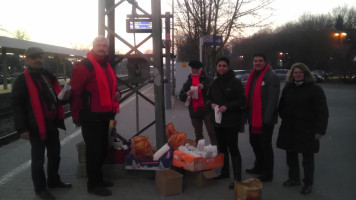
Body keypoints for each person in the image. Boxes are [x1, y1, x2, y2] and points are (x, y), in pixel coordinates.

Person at [11, 47, 72, 200]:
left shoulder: (47, 75)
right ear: (27, 60)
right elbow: (17, 106)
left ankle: (53, 180)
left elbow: (57, 95)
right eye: (33, 58)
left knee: (55, 155)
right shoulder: (21, 80)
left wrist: (66, 95)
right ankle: (40, 189)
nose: (37, 60)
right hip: (35, 126)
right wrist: (22, 128)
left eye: (39, 57)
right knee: (38, 160)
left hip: (51, 122)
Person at [70, 36, 120, 197]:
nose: (102, 48)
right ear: (93, 46)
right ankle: (93, 184)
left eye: (105, 45)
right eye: (99, 45)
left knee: (103, 149)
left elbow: (111, 87)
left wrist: (117, 93)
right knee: (93, 151)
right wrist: (76, 115)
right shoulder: (85, 66)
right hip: (91, 116)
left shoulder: (106, 65)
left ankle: (98, 179)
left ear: (108, 47)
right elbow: (75, 93)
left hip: (105, 114)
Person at [277, 63, 329, 195]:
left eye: (300, 72)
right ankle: (294, 178)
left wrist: (319, 130)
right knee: (291, 155)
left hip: (308, 128)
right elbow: (281, 106)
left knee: (307, 157)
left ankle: (308, 183)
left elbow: (322, 112)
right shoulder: (288, 88)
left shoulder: (315, 89)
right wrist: (285, 116)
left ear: (306, 74)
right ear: (291, 75)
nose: (297, 75)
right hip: (290, 128)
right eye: (295, 73)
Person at [206, 57, 245, 189]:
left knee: (233, 149)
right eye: (219, 65)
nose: (221, 68)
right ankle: (224, 171)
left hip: (231, 122)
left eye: (224, 66)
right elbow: (208, 98)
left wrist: (227, 106)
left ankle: (238, 178)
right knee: (221, 149)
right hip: (217, 122)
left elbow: (241, 100)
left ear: (228, 67)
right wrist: (211, 105)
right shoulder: (214, 83)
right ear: (216, 67)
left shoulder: (235, 82)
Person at [244, 53, 280, 182]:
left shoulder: (272, 77)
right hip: (253, 117)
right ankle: (258, 166)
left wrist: (266, 119)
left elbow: (272, 100)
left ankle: (267, 173)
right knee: (254, 143)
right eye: (255, 60)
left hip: (265, 119)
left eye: (260, 60)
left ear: (265, 62)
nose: (257, 63)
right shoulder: (253, 76)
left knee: (265, 145)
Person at [178, 60, 217, 145]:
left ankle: (216, 152)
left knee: (212, 133)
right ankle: (200, 153)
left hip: (207, 111)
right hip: (194, 112)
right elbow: (181, 96)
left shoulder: (208, 79)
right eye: (193, 68)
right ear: (190, 69)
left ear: (200, 69)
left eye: (197, 69)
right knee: (198, 135)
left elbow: (215, 92)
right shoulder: (188, 82)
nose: (194, 70)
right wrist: (187, 94)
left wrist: (204, 87)